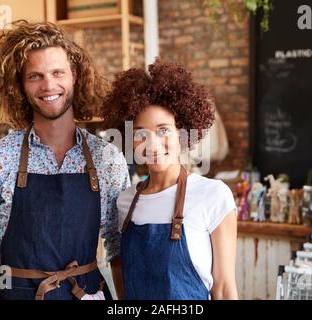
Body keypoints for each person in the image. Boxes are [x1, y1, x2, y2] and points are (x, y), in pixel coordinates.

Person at [0, 21, 130, 300]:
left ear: (74, 75)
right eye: (35, 76)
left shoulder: (107, 160)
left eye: (57, 72)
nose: (49, 85)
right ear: (20, 86)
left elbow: (118, 250)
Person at [102, 59, 239, 300]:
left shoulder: (214, 196)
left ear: (182, 131)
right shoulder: (125, 201)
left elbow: (224, 289)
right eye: (141, 134)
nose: (153, 144)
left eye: (164, 130)